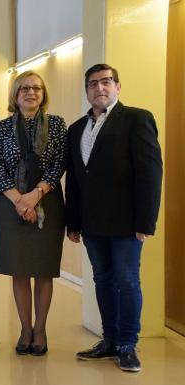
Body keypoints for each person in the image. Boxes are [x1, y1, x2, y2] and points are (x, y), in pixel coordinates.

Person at [66, 64, 162, 372]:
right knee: (103, 281)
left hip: (126, 225)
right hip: (92, 225)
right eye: (93, 84)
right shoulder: (77, 128)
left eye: (106, 82)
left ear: (117, 87)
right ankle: (109, 340)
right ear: (87, 91)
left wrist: (145, 223)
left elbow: (150, 174)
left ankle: (127, 345)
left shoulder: (136, 119)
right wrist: (74, 222)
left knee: (127, 280)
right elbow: (77, 179)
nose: (100, 88)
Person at [0, 71, 67, 356]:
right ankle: (25, 329)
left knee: (43, 271)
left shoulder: (57, 125)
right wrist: (20, 201)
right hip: (11, 207)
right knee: (19, 271)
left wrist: (34, 197)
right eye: (24, 88)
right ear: (15, 94)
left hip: (48, 203)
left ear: (43, 94)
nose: (30, 92)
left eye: (36, 88)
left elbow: (58, 164)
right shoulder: (1, 128)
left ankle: (41, 329)